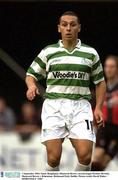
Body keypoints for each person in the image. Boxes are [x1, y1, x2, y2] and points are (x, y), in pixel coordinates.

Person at [25, 11, 106, 171]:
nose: (68, 28)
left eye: (72, 24)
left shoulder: (90, 53)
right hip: (54, 107)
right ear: (59, 28)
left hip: (81, 106)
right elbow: (30, 74)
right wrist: (31, 85)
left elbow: (100, 82)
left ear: (79, 28)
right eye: (64, 24)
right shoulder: (49, 52)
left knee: (85, 156)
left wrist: (98, 108)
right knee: (54, 158)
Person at [92, 55, 118, 170]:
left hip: (117, 130)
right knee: (96, 159)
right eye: (106, 66)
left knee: (103, 164)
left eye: (112, 66)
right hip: (103, 127)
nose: (108, 69)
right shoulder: (100, 88)